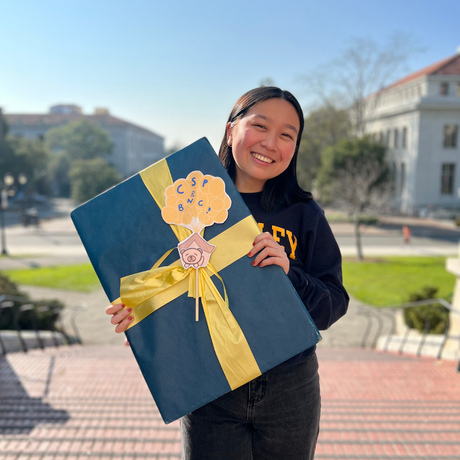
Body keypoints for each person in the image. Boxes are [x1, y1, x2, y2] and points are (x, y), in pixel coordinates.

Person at [106, 87, 349, 459]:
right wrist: (144, 320)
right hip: (210, 384)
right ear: (231, 130)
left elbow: (333, 304)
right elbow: (162, 283)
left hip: (289, 387)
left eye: (287, 135)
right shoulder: (182, 203)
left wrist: (289, 274)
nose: (271, 143)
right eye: (260, 126)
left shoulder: (304, 213)